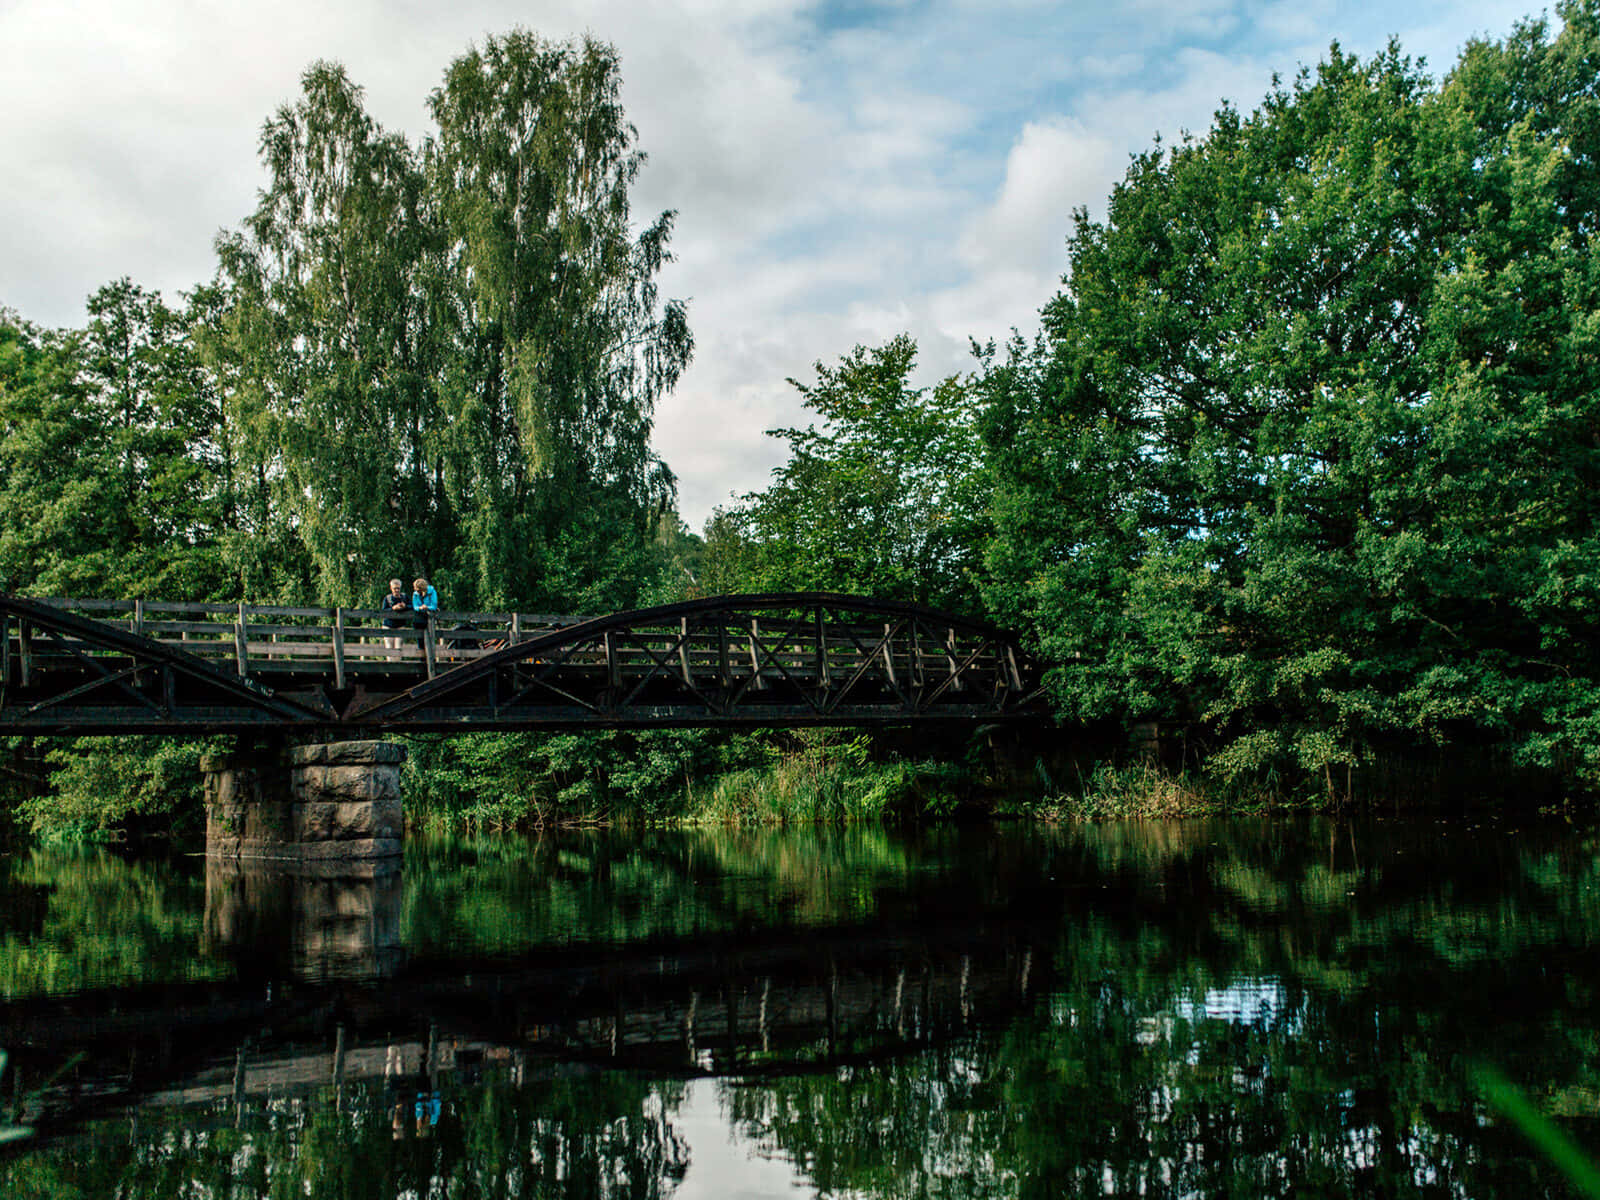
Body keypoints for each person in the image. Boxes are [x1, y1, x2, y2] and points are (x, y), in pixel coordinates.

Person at [380, 579, 410, 652]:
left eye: (398, 588)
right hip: (388, 625)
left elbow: (412, 606)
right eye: (394, 588)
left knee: (398, 648)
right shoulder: (387, 598)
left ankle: (398, 663)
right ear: (391, 588)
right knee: (389, 648)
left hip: (400, 626)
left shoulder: (405, 597)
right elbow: (383, 611)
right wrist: (393, 608)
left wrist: (405, 606)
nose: (396, 590)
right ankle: (390, 663)